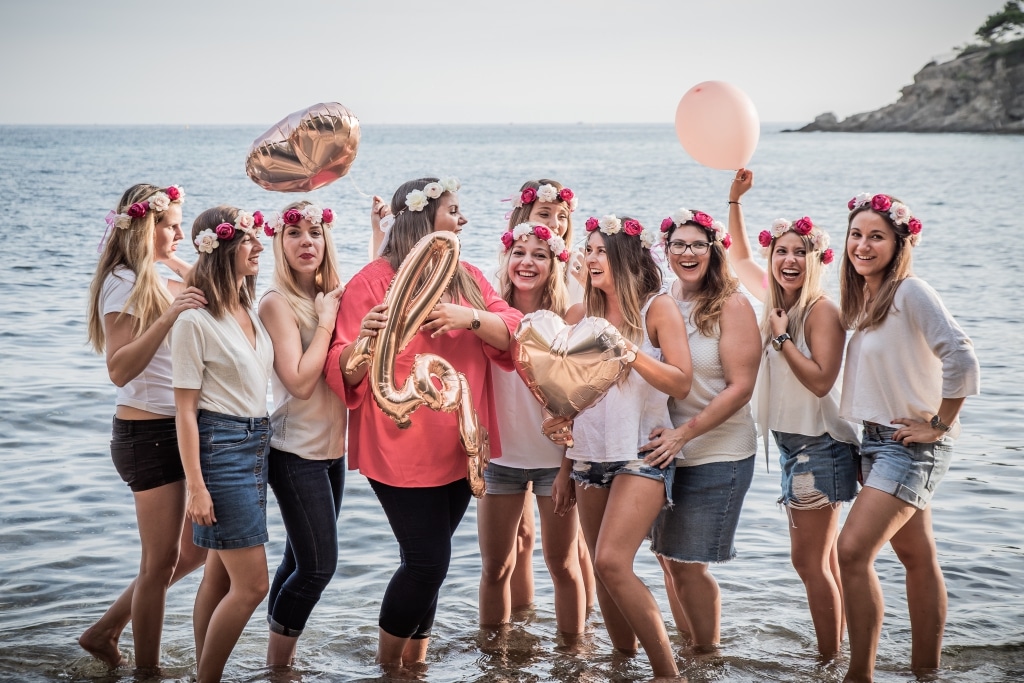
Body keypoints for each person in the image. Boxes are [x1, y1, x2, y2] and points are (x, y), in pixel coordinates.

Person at [324, 177, 523, 675]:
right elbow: (341, 366)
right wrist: (364, 343)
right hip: (399, 444)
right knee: (428, 562)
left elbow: (513, 331)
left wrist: (469, 317)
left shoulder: (470, 277)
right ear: (424, 217)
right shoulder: (372, 281)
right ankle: (388, 668)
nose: (463, 220)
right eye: (455, 210)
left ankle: (417, 665)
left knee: (431, 564)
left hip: (458, 442)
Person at [835, 193, 980, 683]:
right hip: (877, 441)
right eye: (856, 234)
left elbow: (962, 356)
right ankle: (926, 672)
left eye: (876, 236)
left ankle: (860, 675)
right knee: (918, 556)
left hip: (912, 443)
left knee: (850, 552)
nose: (863, 245)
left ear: (900, 243)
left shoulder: (910, 292)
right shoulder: (869, 299)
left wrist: (936, 425)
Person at [547, 214, 692, 678]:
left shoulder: (657, 308)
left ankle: (667, 674)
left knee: (611, 561)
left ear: (626, 256)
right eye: (587, 250)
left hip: (641, 454)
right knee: (603, 572)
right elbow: (569, 400)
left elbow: (682, 382)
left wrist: (628, 352)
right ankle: (622, 666)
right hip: (588, 456)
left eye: (600, 250)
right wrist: (565, 468)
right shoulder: (578, 316)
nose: (590, 258)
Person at [724, 169, 860, 659]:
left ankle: (830, 660)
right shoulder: (774, 302)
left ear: (817, 260)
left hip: (819, 447)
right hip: (793, 445)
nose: (788, 259)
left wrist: (781, 339)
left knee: (810, 564)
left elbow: (821, 380)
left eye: (799, 252)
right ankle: (838, 654)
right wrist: (735, 201)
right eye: (781, 250)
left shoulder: (820, 310)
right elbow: (737, 256)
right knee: (819, 562)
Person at [82, 183, 207, 670]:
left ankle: (104, 631)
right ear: (145, 227)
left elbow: (204, 279)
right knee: (159, 563)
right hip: (147, 437)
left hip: (174, 433)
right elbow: (119, 369)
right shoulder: (121, 282)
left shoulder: (148, 273)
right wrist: (170, 314)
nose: (180, 232)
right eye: (171, 225)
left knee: (193, 553)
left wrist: (171, 264)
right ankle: (147, 672)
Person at [642, 206, 761, 655]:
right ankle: (689, 646)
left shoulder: (732, 303)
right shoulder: (663, 297)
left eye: (697, 244)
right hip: (666, 450)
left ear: (713, 250)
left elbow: (742, 387)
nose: (687, 253)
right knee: (667, 561)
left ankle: (706, 656)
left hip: (717, 452)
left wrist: (684, 434)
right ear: (666, 250)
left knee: (689, 565)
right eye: (678, 245)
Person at [172, 206, 274, 683]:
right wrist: (195, 485)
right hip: (222, 449)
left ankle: (201, 670)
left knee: (218, 576)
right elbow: (186, 411)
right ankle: (206, 679)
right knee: (253, 585)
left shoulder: (246, 308)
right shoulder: (195, 320)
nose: (258, 247)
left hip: (257, 447)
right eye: (248, 240)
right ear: (222, 248)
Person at [478, 221, 586, 637]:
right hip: (499, 459)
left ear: (554, 263)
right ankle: (494, 658)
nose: (527, 263)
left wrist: (568, 467)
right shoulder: (486, 314)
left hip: (554, 462)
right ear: (506, 259)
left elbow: (582, 401)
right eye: (519, 253)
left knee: (562, 564)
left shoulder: (569, 317)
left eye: (539, 255)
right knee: (495, 566)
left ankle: (574, 656)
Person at [498, 179, 595, 615]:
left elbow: (580, 392)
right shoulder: (496, 291)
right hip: (505, 450)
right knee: (516, 543)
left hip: (556, 449)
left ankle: (582, 637)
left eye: (562, 219)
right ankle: (516, 630)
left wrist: (567, 465)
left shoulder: (573, 296)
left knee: (571, 554)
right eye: (544, 215)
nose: (555, 224)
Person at [257, 202, 345, 668]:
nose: (307, 241)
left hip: (332, 452)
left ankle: (274, 655)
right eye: (294, 234)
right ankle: (279, 667)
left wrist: (381, 230)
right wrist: (326, 320)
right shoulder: (276, 302)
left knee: (297, 562)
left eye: (315, 231)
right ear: (279, 243)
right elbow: (298, 381)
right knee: (316, 568)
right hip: (294, 454)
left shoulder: (332, 291)